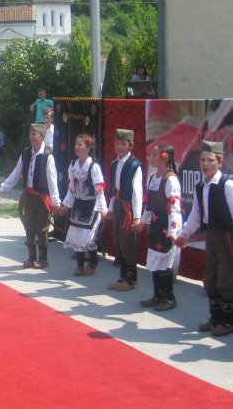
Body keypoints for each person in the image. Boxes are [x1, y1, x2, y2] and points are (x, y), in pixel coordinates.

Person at [175, 141, 233, 336]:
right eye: (202, 160)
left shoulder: (227, 185)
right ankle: (215, 317)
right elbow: (196, 216)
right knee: (210, 278)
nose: (205, 164)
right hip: (212, 237)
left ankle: (228, 321)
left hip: (228, 237)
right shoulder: (200, 186)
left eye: (210, 160)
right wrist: (184, 235)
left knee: (226, 279)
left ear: (220, 162)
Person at [0, 123, 61, 269]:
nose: (31, 137)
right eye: (30, 134)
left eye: (35, 134)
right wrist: (2, 189)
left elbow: (52, 180)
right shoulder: (26, 153)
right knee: (29, 226)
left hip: (42, 197)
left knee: (42, 228)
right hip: (28, 196)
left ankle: (43, 259)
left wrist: (56, 202)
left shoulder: (47, 156)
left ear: (42, 136)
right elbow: (16, 174)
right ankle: (31, 258)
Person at [136, 143, 182, 311]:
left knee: (164, 260)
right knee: (155, 258)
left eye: (154, 155)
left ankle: (169, 298)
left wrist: (173, 231)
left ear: (164, 158)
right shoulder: (152, 177)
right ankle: (158, 295)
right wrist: (142, 222)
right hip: (156, 223)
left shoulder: (170, 180)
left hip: (167, 223)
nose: (151, 158)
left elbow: (174, 208)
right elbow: (149, 204)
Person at [58, 134, 107, 276]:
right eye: (75, 144)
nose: (76, 147)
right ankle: (80, 266)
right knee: (76, 235)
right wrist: (66, 206)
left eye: (80, 145)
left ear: (88, 148)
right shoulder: (73, 165)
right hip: (79, 205)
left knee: (87, 236)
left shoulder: (93, 167)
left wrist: (103, 209)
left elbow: (99, 190)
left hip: (92, 205)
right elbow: (71, 190)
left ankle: (92, 263)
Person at [105, 128, 144, 291]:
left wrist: (136, 216)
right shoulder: (114, 164)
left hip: (128, 208)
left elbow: (137, 193)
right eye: (117, 143)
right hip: (119, 205)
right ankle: (122, 277)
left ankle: (131, 279)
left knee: (127, 243)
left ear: (131, 146)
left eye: (123, 144)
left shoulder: (135, 166)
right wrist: (111, 208)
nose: (119, 147)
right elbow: (114, 189)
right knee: (118, 242)